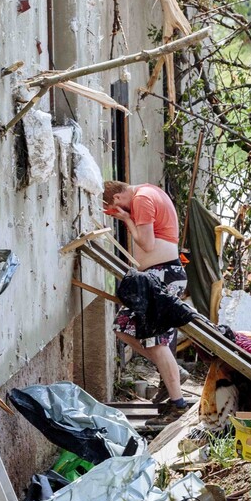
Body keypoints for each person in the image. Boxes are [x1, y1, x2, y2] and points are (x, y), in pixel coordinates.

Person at [102, 180, 190, 426]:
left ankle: (178, 404)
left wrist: (127, 220)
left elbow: (147, 244)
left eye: (115, 206)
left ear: (118, 199)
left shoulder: (141, 199)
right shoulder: (149, 191)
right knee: (123, 329)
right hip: (157, 274)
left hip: (162, 275)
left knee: (155, 340)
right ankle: (172, 372)